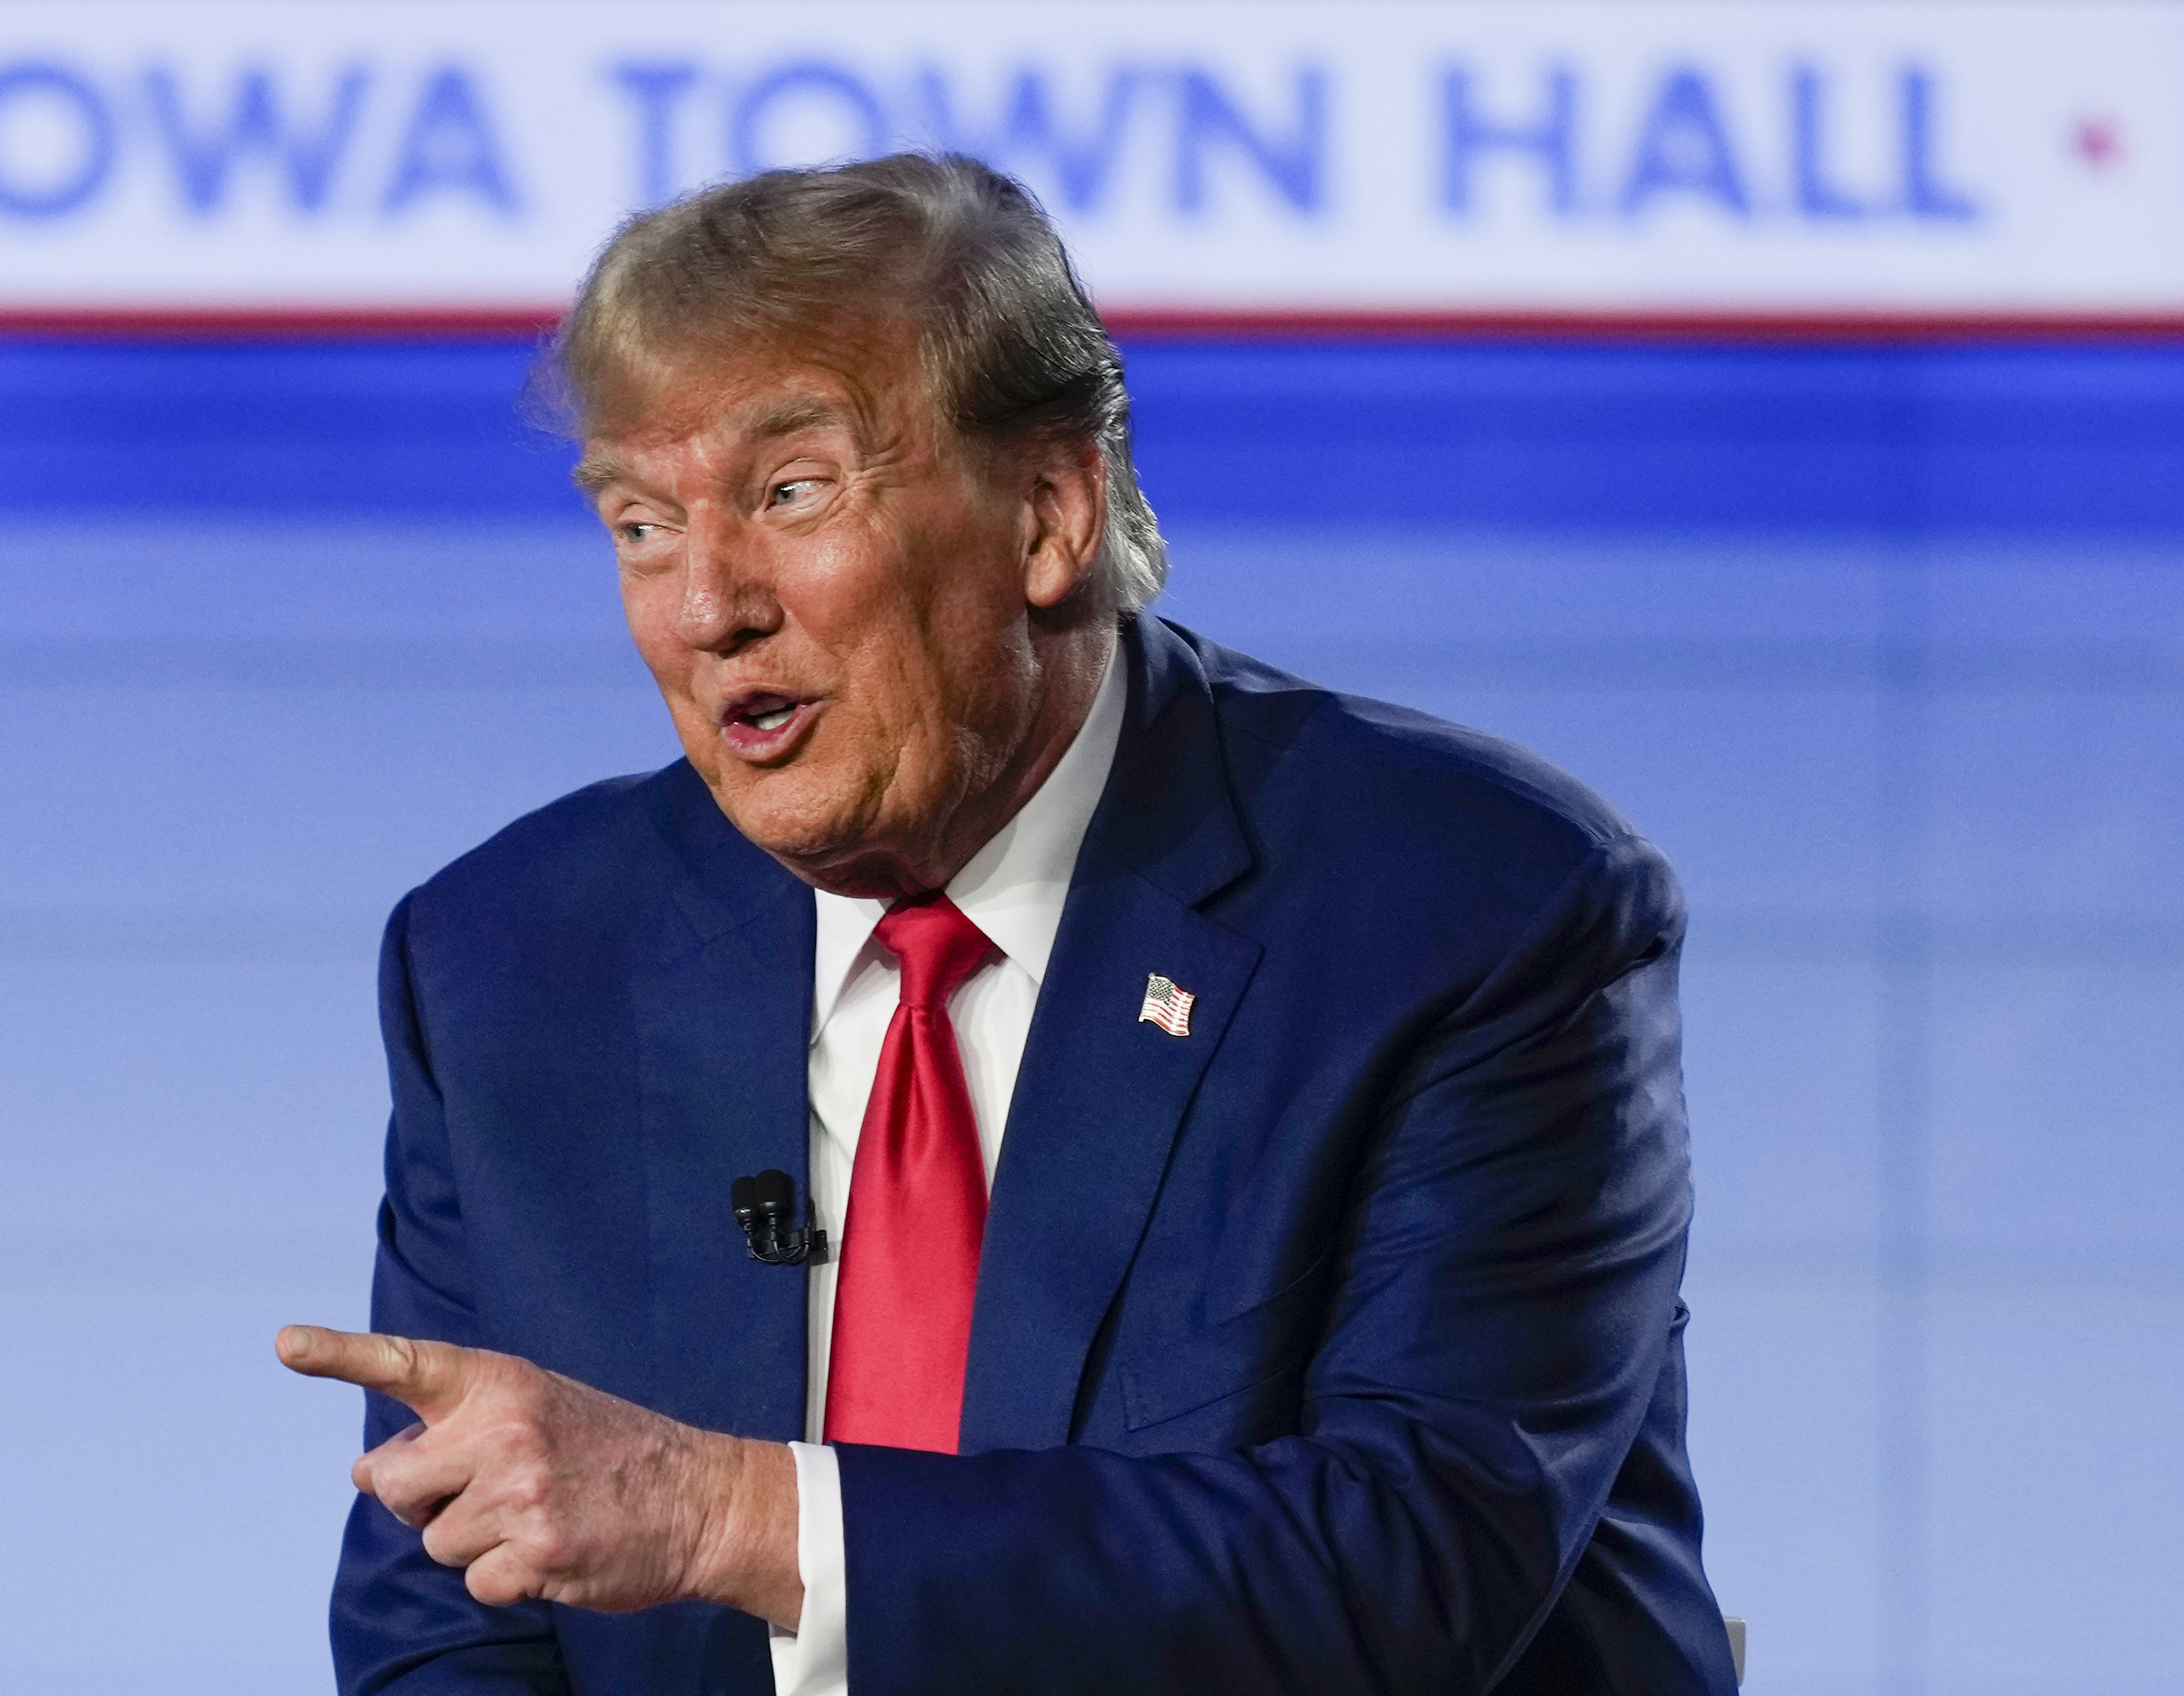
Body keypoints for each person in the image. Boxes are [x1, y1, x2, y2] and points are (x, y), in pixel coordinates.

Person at [277, 153, 1739, 1696]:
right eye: (640, 525)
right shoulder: (513, 963)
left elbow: (1410, 1560)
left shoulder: (1470, 914)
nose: (706, 606)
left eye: (792, 493)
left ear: (1048, 513)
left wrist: (739, 1517)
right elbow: (450, 1619)